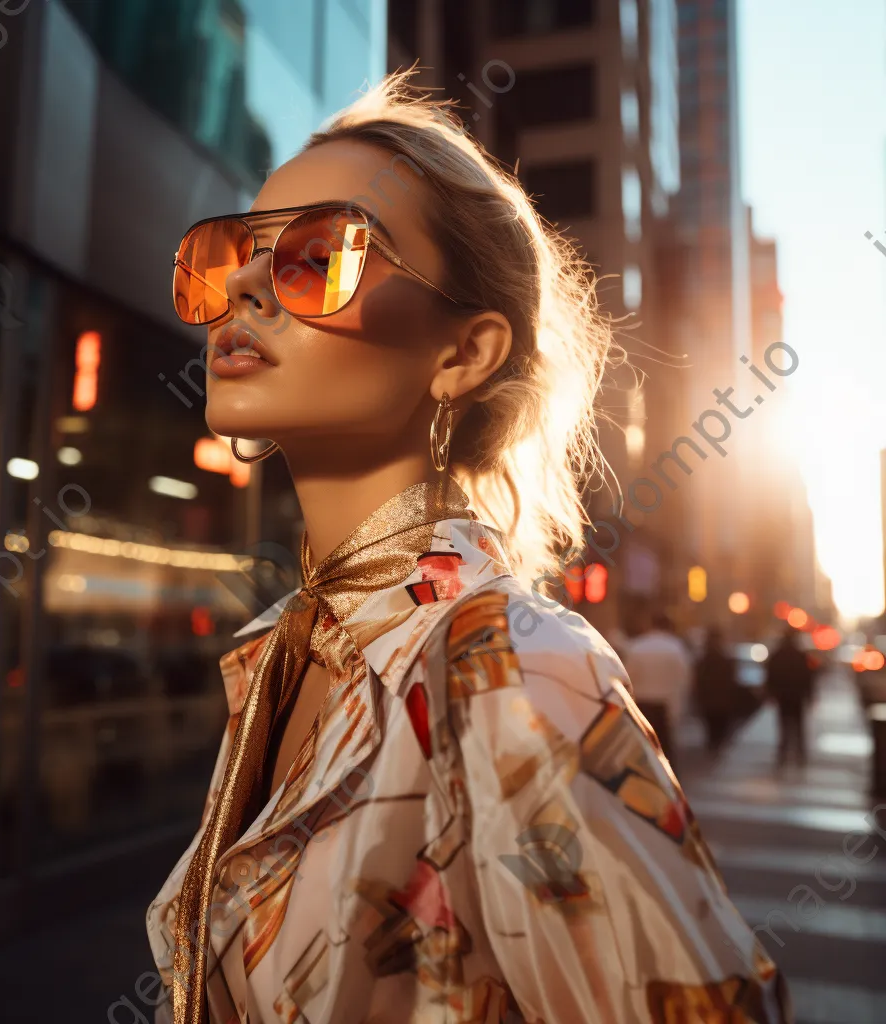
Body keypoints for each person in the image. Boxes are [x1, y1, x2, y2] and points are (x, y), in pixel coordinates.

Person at [147, 72, 791, 1024]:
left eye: (319, 254)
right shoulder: (275, 654)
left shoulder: (510, 665)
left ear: (462, 354)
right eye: (232, 251)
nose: (243, 282)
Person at [620, 612, 693, 771]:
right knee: (664, 749)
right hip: (665, 704)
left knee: (643, 748)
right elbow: (684, 678)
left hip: (641, 703)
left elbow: (627, 677)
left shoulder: (637, 647)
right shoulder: (676, 647)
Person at [765, 625, 815, 767]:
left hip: (783, 696)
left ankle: (784, 755)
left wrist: (771, 692)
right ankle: (799, 756)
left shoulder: (778, 654)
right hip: (796, 696)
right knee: (798, 727)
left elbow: (770, 675)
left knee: (784, 727)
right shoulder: (800, 655)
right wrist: (809, 695)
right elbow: (808, 678)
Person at [694, 625, 739, 754]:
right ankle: (717, 746)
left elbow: (698, 680)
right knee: (720, 726)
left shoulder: (703, 659)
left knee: (712, 726)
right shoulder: (726, 658)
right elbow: (732, 680)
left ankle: (713, 746)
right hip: (722, 699)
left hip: (709, 699)